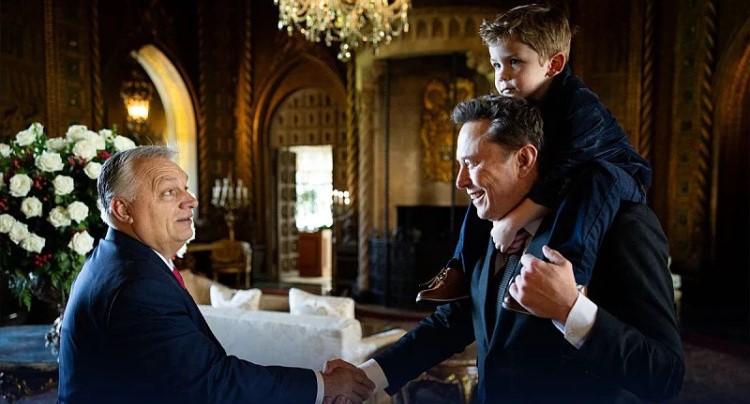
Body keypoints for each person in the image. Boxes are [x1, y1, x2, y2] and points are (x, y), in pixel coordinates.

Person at [351, 95, 684, 402]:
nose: (460, 181)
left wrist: (570, 311)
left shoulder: (623, 226)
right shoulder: (489, 227)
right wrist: (364, 378)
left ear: (524, 159)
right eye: (458, 165)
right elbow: (454, 322)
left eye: (472, 163)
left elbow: (665, 375)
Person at [58, 146, 375, 404]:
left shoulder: (117, 260)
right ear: (123, 210)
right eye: (169, 192)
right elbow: (211, 384)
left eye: (185, 188)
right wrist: (324, 386)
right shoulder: (136, 285)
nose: (191, 200)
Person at [417, 3, 652, 304]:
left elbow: (563, 170)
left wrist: (512, 222)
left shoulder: (580, 107)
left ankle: (564, 277)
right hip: (566, 175)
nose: (502, 76)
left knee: (596, 178)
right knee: (481, 182)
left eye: (514, 62)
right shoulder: (523, 104)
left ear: (554, 64)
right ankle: (459, 270)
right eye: (496, 65)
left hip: (617, 180)